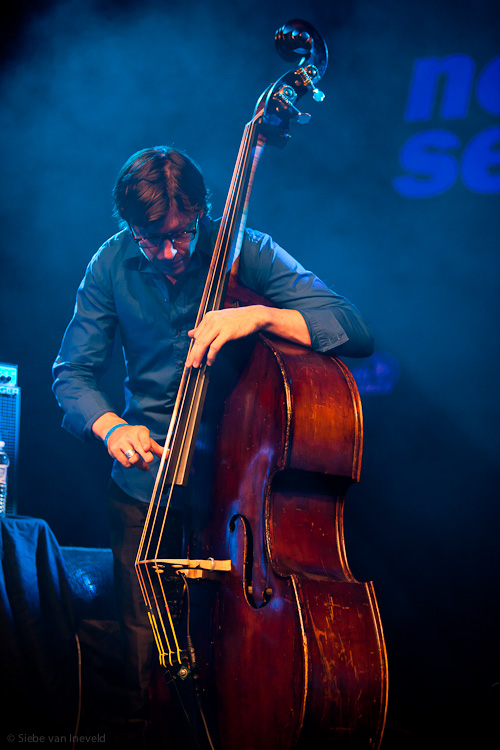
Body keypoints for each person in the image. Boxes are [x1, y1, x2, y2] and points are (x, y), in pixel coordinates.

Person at [52, 145, 374, 745]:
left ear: (199, 211)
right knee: (144, 664)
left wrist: (259, 318)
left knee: (238, 656)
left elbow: (351, 326)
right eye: (152, 241)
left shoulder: (240, 248)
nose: (170, 254)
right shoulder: (110, 263)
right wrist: (111, 428)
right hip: (144, 492)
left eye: (180, 235)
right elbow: (71, 374)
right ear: (130, 228)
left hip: (237, 494)